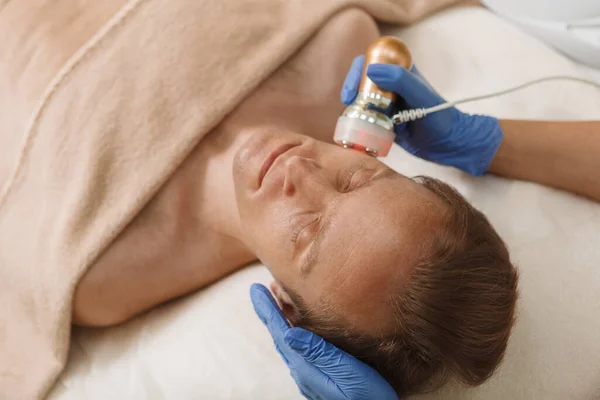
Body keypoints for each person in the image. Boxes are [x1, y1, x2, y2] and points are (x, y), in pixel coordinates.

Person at [251, 52, 600, 399]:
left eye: (304, 232)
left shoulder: (193, 259)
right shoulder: (335, 48)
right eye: (355, 177)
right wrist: (480, 141)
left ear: (287, 308)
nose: (296, 165)